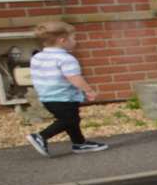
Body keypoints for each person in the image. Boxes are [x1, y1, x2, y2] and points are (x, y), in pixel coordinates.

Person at [24, 20, 107, 156]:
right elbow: (74, 78)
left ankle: (79, 143)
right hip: (64, 97)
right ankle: (41, 137)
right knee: (69, 120)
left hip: (47, 97)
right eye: (73, 38)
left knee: (72, 120)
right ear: (62, 40)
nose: (75, 41)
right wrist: (89, 90)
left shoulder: (37, 57)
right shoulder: (66, 58)